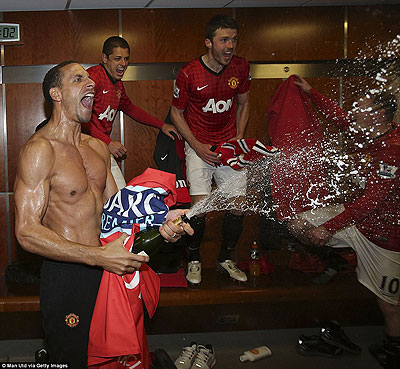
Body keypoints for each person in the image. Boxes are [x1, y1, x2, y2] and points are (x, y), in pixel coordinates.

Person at [13, 60, 192, 368]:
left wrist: (159, 221)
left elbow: (120, 209)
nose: (91, 85)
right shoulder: (39, 150)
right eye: (77, 79)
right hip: (69, 274)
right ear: (55, 93)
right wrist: (97, 256)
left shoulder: (97, 148)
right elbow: (26, 232)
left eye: (90, 80)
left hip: (110, 268)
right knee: (73, 359)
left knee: (116, 359)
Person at [290, 75, 400, 369]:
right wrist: (310, 92)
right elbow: (340, 118)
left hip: (385, 236)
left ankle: (393, 352)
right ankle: (335, 258)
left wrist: (328, 226)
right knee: (297, 223)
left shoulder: (393, 147)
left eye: (361, 105)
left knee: (390, 305)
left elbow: (373, 201)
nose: (354, 109)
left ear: (378, 114)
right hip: (355, 221)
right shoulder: (368, 131)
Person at [170, 14, 251, 285]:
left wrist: (238, 138)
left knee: (238, 206)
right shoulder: (189, 72)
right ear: (209, 42)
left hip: (228, 145)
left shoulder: (240, 67)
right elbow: (176, 113)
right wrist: (196, 146)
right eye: (224, 40)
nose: (230, 46)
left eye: (234, 40)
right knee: (200, 208)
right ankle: (193, 259)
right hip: (199, 146)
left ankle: (225, 258)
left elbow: (243, 103)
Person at [82, 36, 180, 189]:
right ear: (104, 58)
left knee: (118, 194)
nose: (123, 64)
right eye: (117, 59)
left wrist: (161, 125)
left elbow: (130, 108)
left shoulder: (118, 85)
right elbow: (80, 119)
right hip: (84, 147)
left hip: (100, 147)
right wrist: (108, 142)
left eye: (126, 59)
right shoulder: (94, 78)